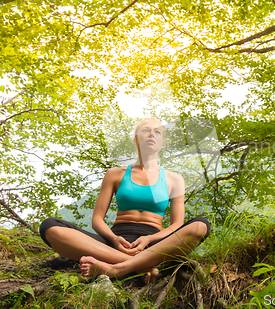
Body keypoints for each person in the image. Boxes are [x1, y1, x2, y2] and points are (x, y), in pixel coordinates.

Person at [39, 118, 211, 281]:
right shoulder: (115, 173)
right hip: (114, 241)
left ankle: (117, 269)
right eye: (146, 130)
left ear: (162, 142)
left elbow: (176, 225)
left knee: (199, 226)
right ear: (136, 139)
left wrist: (149, 240)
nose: (152, 134)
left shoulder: (174, 179)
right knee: (51, 228)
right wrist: (114, 239)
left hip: (154, 243)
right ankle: (141, 265)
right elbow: (97, 220)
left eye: (157, 132)